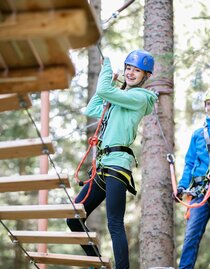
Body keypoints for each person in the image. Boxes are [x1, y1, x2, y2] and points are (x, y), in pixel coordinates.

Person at [67, 50, 158, 269]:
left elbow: (103, 89)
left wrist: (106, 66)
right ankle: (96, 262)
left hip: (117, 165)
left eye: (137, 70)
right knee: (74, 218)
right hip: (102, 166)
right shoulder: (118, 101)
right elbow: (92, 107)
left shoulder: (139, 97)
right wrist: (113, 82)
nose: (131, 73)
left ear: (145, 76)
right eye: (128, 68)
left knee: (114, 223)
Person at [173, 90, 210, 269]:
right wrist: (181, 186)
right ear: (205, 107)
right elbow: (189, 164)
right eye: (209, 103)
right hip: (200, 192)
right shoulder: (197, 135)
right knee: (191, 236)